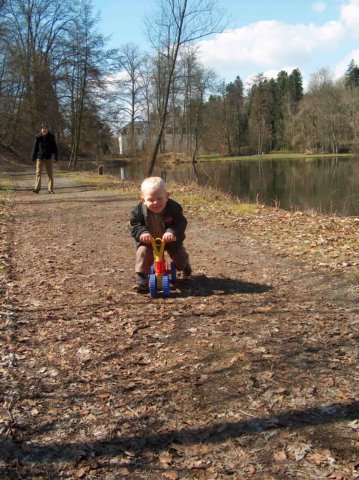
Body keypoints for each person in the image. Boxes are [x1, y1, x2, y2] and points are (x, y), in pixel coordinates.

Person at [130, 176, 192, 292]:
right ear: (143, 200)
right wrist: (142, 232)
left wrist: (172, 232)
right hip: (149, 241)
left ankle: (185, 267)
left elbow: (181, 222)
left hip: (169, 240)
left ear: (167, 196)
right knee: (142, 253)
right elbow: (133, 224)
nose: (156, 203)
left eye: (160, 198)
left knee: (178, 254)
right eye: (150, 200)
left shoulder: (173, 208)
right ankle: (142, 278)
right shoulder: (138, 211)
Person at [31, 122, 58, 193]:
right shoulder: (38, 137)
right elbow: (35, 148)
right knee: (38, 173)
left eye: (45, 128)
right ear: (41, 129)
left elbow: (55, 148)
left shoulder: (51, 137)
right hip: (40, 157)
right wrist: (33, 157)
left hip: (49, 158)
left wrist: (55, 157)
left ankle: (50, 189)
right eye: (43, 128)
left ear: (47, 129)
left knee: (50, 174)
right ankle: (37, 189)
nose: (44, 130)